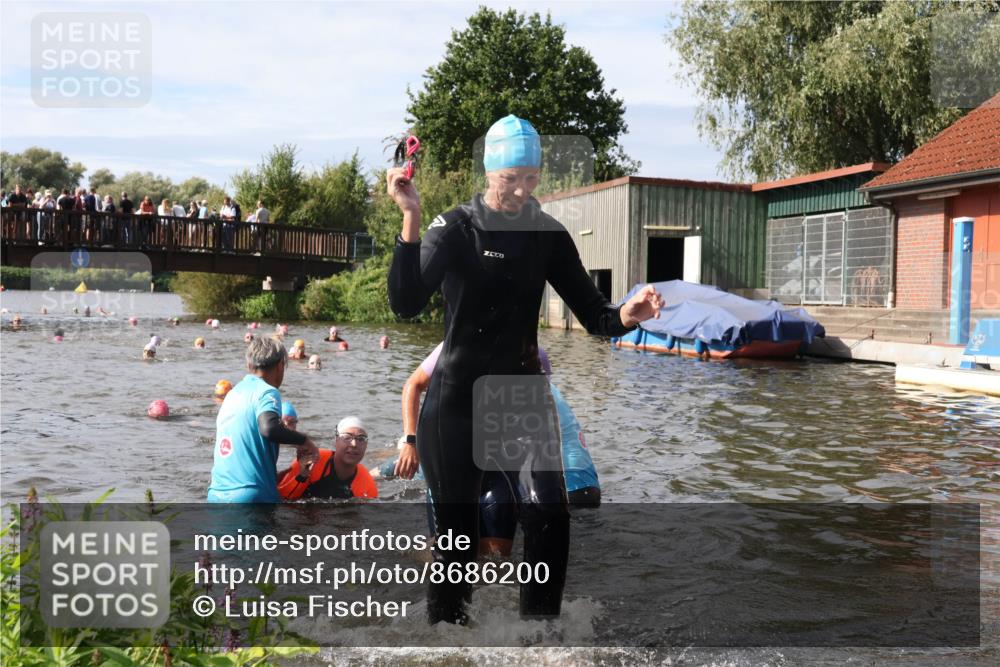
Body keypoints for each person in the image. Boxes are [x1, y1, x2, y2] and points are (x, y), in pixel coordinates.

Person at [386, 114, 663, 623]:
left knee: (549, 512)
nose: (520, 190)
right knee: (457, 543)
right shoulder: (456, 227)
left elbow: (598, 316)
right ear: (489, 173)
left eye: (531, 178)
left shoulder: (548, 236)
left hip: (520, 398)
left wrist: (630, 314)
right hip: (456, 402)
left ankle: (541, 638)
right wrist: (410, 216)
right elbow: (404, 304)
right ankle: (449, 646)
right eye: (509, 179)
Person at [207, 336, 319, 503]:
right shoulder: (267, 391)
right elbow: (269, 429)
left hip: (216, 494)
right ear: (281, 365)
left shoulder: (232, 394)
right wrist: (304, 441)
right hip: (251, 498)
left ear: (248, 365)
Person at [278, 416, 378, 500]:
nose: (354, 444)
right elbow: (282, 498)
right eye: (347, 437)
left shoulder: (367, 485)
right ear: (336, 440)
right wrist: (302, 476)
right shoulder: (312, 459)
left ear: (366, 445)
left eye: (361, 439)